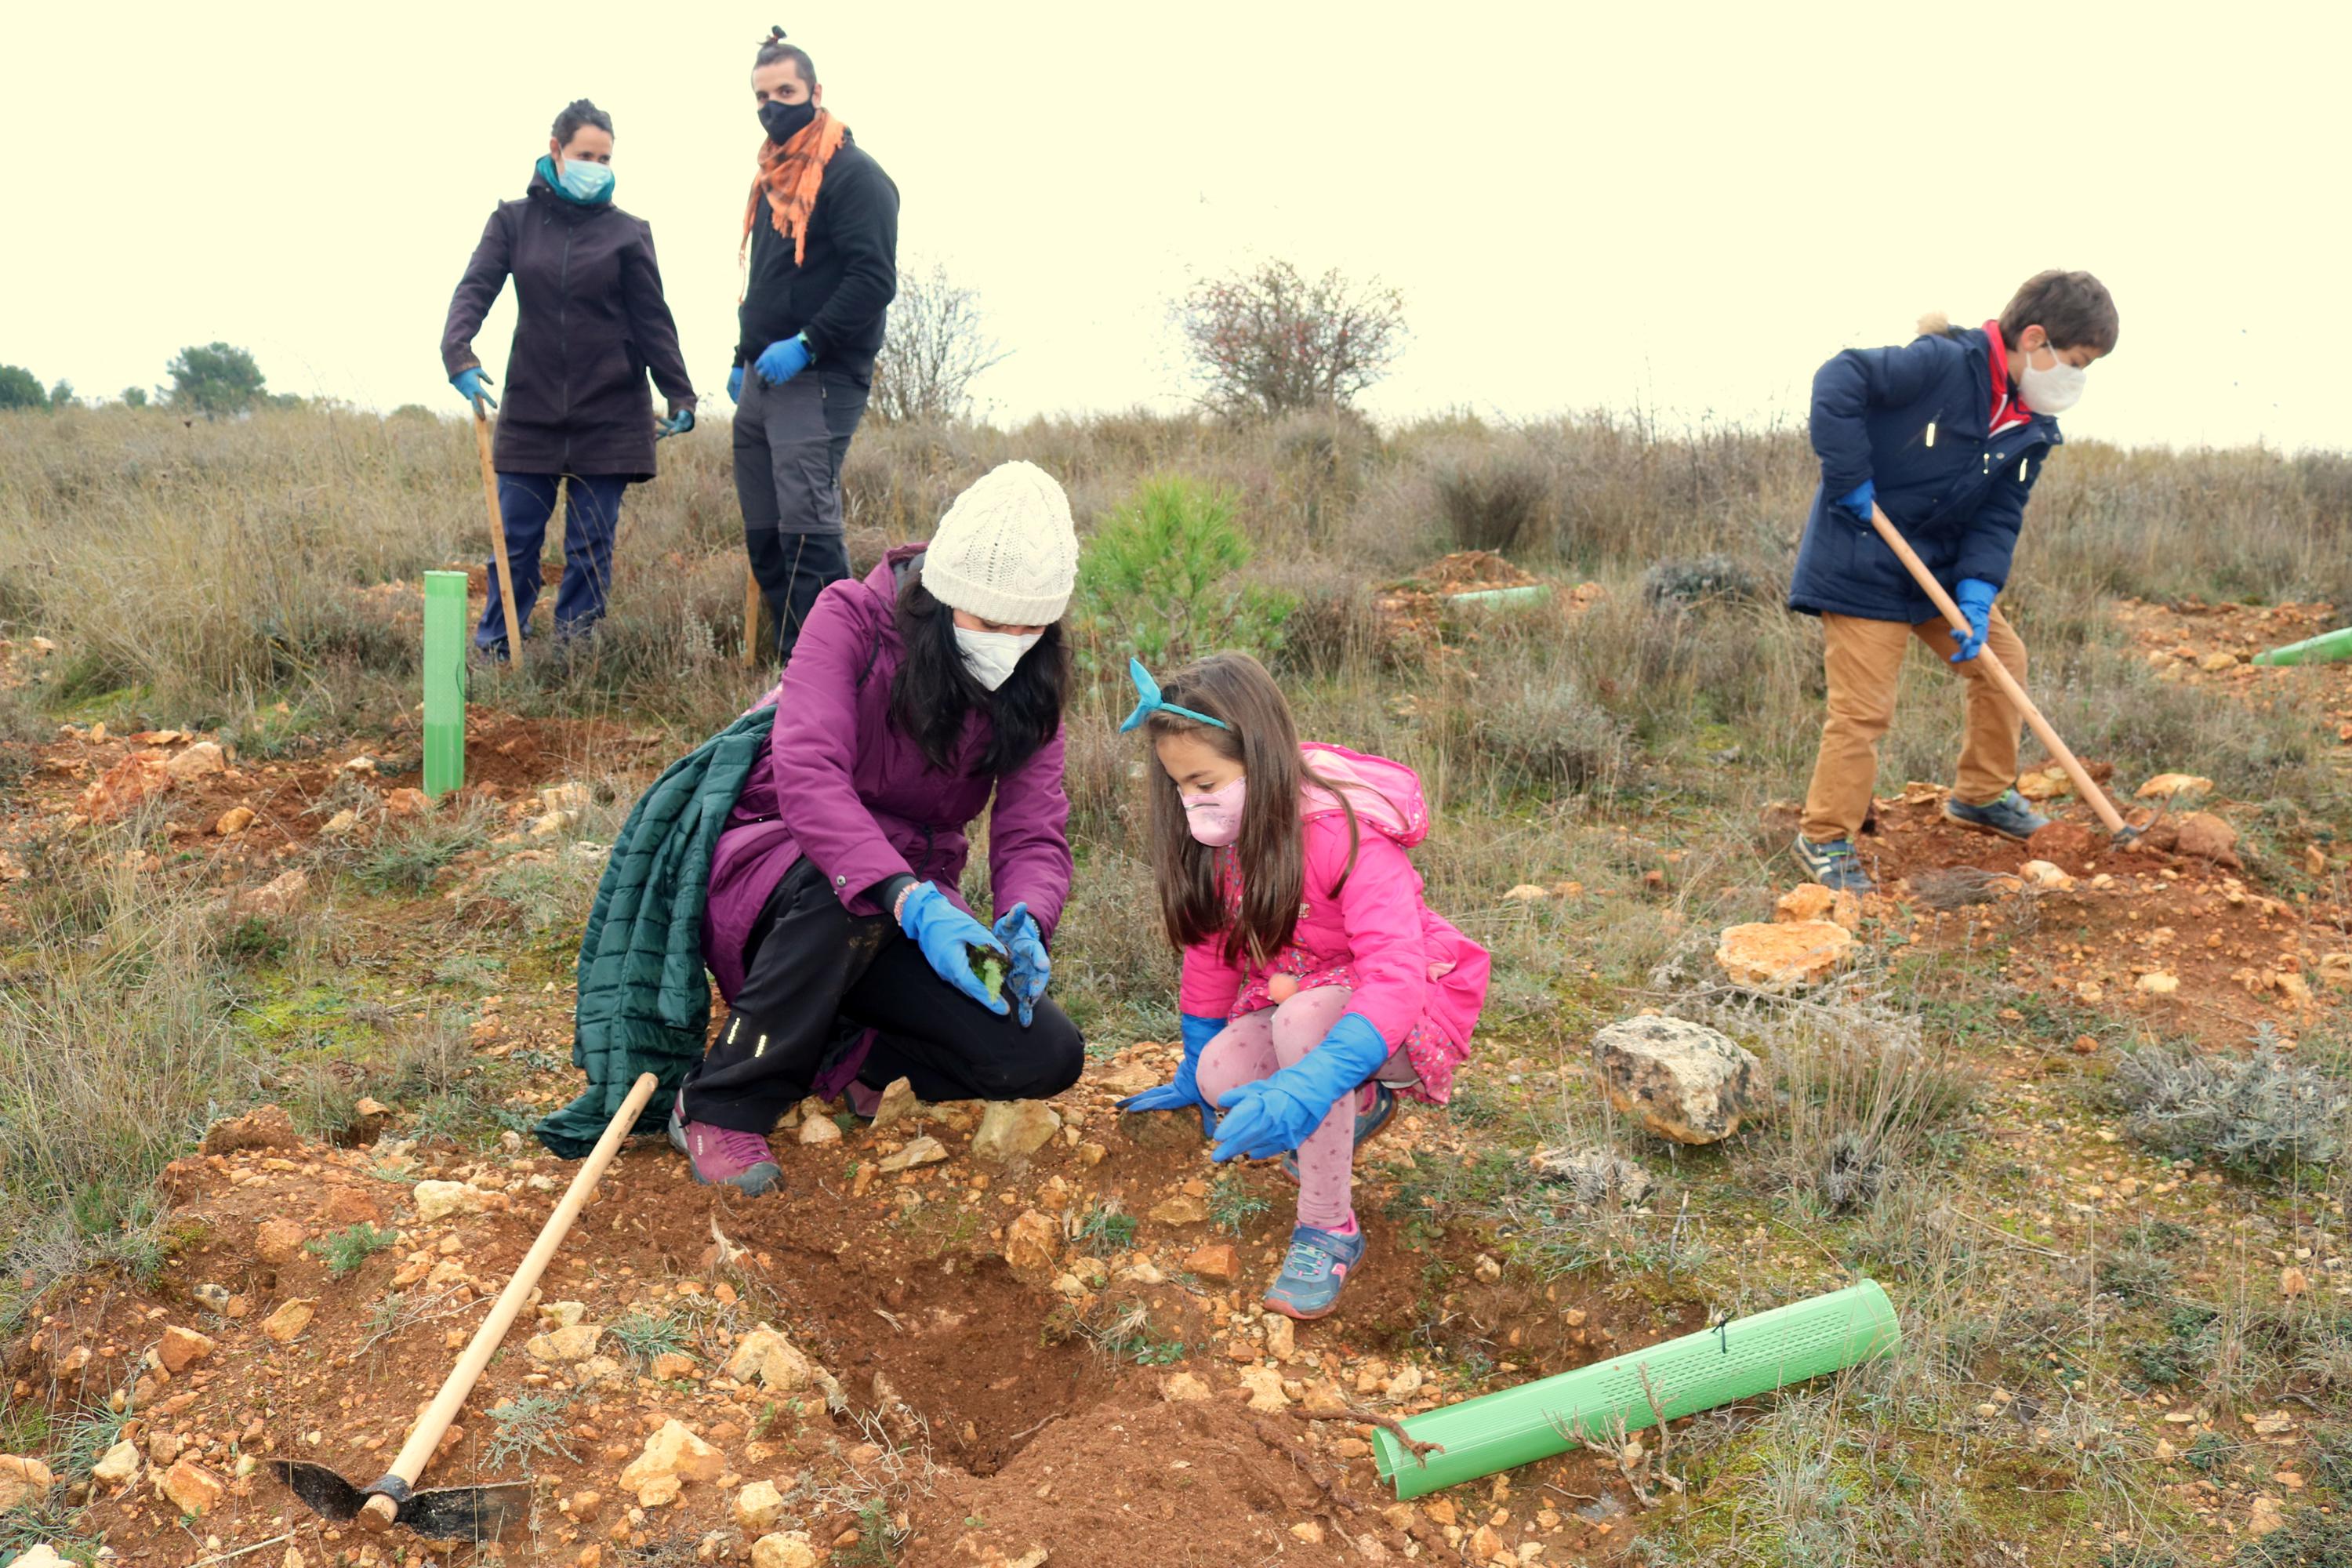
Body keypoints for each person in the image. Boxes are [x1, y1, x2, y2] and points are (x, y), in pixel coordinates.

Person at [672, 460, 1083, 1196]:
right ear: (943, 595)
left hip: (917, 907)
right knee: (847, 898)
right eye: (991, 623)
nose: (1010, 642)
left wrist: (1027, 921)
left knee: (1045, 1052)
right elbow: (808, 777)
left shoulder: (1034, 676)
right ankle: (723, 1098)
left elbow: (1033, 830)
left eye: (1031, 626)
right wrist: (904, 893)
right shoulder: (850, 618)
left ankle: (860, 1060)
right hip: (784, 866)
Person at [1114, 653, 1491, 1320]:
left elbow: (1394, 976)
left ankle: (1328, 1228)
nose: (1190, 800)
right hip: (1307, 991)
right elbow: (1210, 950)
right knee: (1221, 1075)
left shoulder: (1343, 835)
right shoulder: (1223, 839)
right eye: (1178, 785)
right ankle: (1356, 1098)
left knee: (1302, 1031)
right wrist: (1195, 1054)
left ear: (1259, 757)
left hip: (1400, 1006)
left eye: (1203, 780)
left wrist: (1315, 1080)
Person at [1786, 270, 2119, 893]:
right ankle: (1825, 837)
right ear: (2035, 339)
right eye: (2075, 362)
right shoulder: (1941, 363)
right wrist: (1849, 476)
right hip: (1864, 557)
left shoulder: (2033, 426)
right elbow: (1840, 378)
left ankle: (1982, 795)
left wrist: (1977, 588)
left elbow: (1999, 516)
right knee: (1864, 711)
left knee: (2002, 661)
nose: (2076, 378)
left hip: (1934, 572)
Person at [441, 98, 696, 659]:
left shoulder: (629, 233)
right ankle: (497, 647)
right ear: (556, 151)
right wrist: (458, 353)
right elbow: (475, 289)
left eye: (606, 158)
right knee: (516, 542)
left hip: (610, 411)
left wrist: (680, 391)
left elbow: (654, 319)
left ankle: (574, 656)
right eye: (586, 154)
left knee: (590, 545)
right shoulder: (513, 221)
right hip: (532, 409)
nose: (596, 166)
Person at [731, 27, 900, 665]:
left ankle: (838, 667)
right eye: (762, 95)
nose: (773, 106)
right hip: (762, 376)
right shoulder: (775, 180)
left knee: (807, 529)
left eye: (786, 91)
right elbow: (769, 282)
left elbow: (873, 279)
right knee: (765, 530)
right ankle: (791, 663)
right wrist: (740, 353)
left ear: (816, 92)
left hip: (820, 373)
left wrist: (807, 343)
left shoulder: (854, 176)